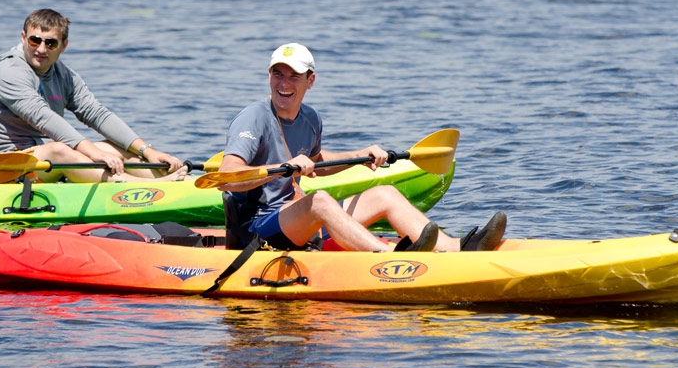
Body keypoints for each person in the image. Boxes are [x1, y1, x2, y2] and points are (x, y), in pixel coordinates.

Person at [214, 43, 506, 252]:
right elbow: (227, 176)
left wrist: (359, 157)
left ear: (310, 81)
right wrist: (281, 172)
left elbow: (318, 161)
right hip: (256, 230)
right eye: (277, 74)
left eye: (293, 76)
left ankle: (460, 248)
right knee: (321, 201)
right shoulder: (254, 117)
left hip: (296, 221)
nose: (284, 83)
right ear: (269, 76)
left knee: (385, 195)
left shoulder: (311, 118)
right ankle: (389, 258)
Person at [0, 8, 186, 183]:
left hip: (35, 158)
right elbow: (44, 118)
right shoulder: (9, 72)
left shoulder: (63, 74)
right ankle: (147, 188)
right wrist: (92, 153)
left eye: (50, 43)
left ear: (63, 45)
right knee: (60, 149)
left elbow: (97, 114)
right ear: (23, 38)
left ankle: (178, 182)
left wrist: (148, 152)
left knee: (110, 147)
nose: (41, 49)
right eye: (35, 40)